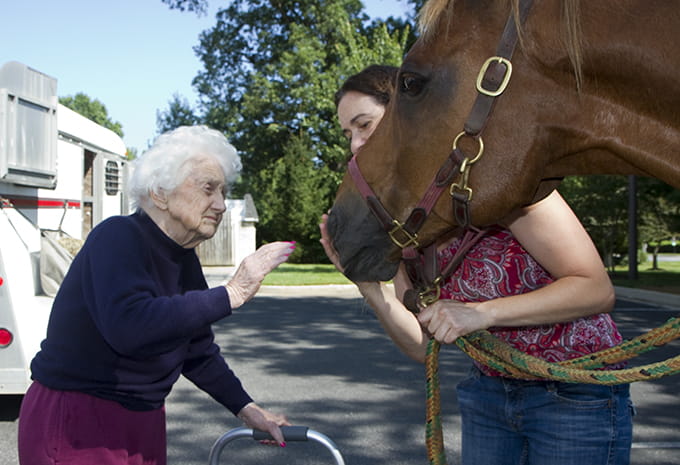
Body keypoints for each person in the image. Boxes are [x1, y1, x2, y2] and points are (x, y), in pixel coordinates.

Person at [321, 66, 634, 465]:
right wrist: (368, 287)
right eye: (348, 134)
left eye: (364, 125)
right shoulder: (400, 220)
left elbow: (594, 288)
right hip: (489, 392)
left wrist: (480, 313)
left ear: (407, 113)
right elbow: (423, 345)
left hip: (574, 391)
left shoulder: (495, 175)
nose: (356, 144)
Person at [18, 125, 296, 465]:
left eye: (223, 191)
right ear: (160, 192)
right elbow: (130, 328)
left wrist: (247, 409)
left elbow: (196, 350)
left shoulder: (182, 255)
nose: (221, 204)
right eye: (209, 189)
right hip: (79, 419)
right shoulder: (118, 237)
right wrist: (232, 292)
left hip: (143, 419)